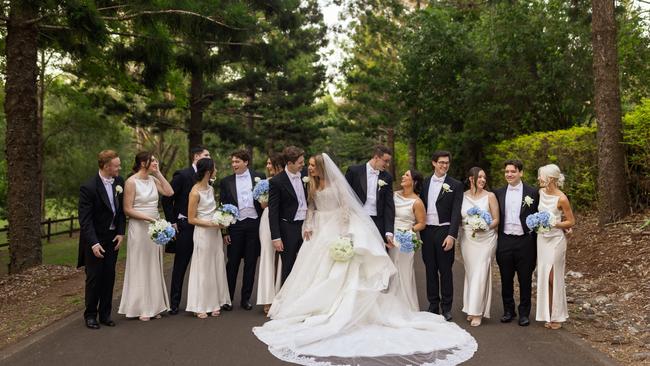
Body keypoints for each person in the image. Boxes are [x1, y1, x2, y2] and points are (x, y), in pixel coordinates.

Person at [253, 153, 477, 366]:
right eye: (307, 164)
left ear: (321, 167)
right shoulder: (310, 183)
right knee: (312, 269)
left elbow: (345, 207)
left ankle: (437, 306)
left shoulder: (342, 182)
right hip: (318, 229)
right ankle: (313, 307)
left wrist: (343, 232)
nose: (309, 167)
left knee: (341, 271)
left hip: (336, 228)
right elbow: (311, 206)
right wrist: (309, 224)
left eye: (312, 164)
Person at [118, 152, 174, 321]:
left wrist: (158, 173)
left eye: (157, 160)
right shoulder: (131, 182)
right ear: (143, 163)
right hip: (140, 227)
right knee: (140, 264)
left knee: (153, 264)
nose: (156, 163)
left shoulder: (153, 180)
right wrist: (149, 219)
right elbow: (127, 209)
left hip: (155, 227)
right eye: (153, 161)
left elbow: (169, 192)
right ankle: (140, 306)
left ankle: (154, 306)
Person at [77, 150, 126, 329]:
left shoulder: (119, 182)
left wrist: (121, 232)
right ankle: (90, 315)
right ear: (106, 166)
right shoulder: (88, 187)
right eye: (116, 165)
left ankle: (105, 314)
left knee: (109, 276)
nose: (119, 168)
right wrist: (94, 243)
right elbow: (85, 220)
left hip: (113, 238)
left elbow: (120, 212)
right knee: (94, 278)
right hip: (95, 240)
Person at [162, 146, 210, 315]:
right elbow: (167, 199)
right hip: (185, 227)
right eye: (206, 155)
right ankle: (174, 303)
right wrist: (172, 221)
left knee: (203, 266)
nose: (208, 157)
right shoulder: (181, 175)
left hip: (203, 228)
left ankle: (202, 301)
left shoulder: (208, 177)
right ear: (196, 156)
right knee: (181, 265)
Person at [494, 159, 539, 326]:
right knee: (506, 278)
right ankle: (508, 310)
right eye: (507, 172)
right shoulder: (498, 193)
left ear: (521, 173)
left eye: (513, 171)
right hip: (505, 240)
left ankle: (524, 313)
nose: (509, 174)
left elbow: (540, 214)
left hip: (525, 241)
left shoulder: (533, 193)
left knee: (525, 279)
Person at [219, 149, 265, 311]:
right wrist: (225, 232)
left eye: (237, 161)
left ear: (246, 162)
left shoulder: (260, 177)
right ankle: (228, 298)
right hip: (236, 227)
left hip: (254, 224)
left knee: (251, 263)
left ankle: (246, 299)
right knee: (232, 263)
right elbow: (223, 208)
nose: (234, 165)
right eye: (232, 162)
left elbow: (265, 200)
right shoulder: (226, 182)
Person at [420, 151, 464, 321]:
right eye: (441, 162)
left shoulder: (456, 184)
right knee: (430, 269)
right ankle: (433, 305)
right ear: (434, 163)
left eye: (447, 163)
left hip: (445, 231)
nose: (444, 165)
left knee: (445, 271)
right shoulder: (424, 183)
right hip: (427, 231)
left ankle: (446, 307)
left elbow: (456, 212)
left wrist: (452, 235)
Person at [185, 158, 231, 318]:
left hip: (215, 233)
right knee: (203, 267)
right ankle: (201, 304)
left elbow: (213, 210)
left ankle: (215, 302)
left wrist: (222, 219)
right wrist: (211, 224)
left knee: (216, 265)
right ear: (207, 171)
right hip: (203, 233)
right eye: (214, 168)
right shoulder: (194, 192)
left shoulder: (211, 189)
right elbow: (191, 219)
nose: (216, 170)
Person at [535, 164, 575, 330]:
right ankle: (548, 313)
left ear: (550, 179)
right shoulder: (540, 193)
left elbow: (571, 221)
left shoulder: (562, 198)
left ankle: (558, 315)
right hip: (542, 239)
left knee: (554, 277)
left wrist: (556, 224)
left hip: (556, 240)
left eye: (541, 176)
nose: (538, 179)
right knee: (544, 276)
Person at [459, 167, 499, 327]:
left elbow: (496, 220)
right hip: (468, 239)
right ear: (471, 178)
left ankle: (477, 312)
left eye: (484, 177)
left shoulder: (490, 196)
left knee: (481, 272)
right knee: (471, 273)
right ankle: (470, 307)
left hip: (486, 239)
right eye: (479, 177)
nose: (483, 179)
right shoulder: (462, 197)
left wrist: (485, 226)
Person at [268, 146, 308, 284]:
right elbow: (273, 212)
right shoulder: (276, 181)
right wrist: (276, 237)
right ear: (290, 163)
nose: (303, 164)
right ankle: (285, 301)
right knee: (288, 266)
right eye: (300, 162)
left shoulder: (306, 176)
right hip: (288, 229)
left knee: (308, 265)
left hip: (307, 227)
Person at [389, 169, 426, 312]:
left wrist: (409, 232)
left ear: (414, 182)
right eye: (403, 174)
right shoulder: (394, 195)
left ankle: (407, 307)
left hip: (405, 239)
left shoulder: (417, 202)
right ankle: (392, 306)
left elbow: (422, 223)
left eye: (407, 175)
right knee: (392, 271)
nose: (403, 176)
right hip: (391, 238)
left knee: (404, 272)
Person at [345, 145, 395, 247]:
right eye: (385, 161)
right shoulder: (354, 171)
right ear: (376, 157)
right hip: (357, 220)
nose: (388, 164)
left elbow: (389, 205)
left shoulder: (387, 177)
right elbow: (344, 196)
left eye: (389, 161)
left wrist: (389, 231)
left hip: (377, 222)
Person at [256, 153, 284, 314]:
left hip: (284, 219)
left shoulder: (289, 180)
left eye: (270, 163)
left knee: (283, 258)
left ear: (278, 165)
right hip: (267, 220)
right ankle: (267, 299)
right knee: (267, 257)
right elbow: (263, 204)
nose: (267, 166)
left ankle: (281, 296)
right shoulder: (265, 183)